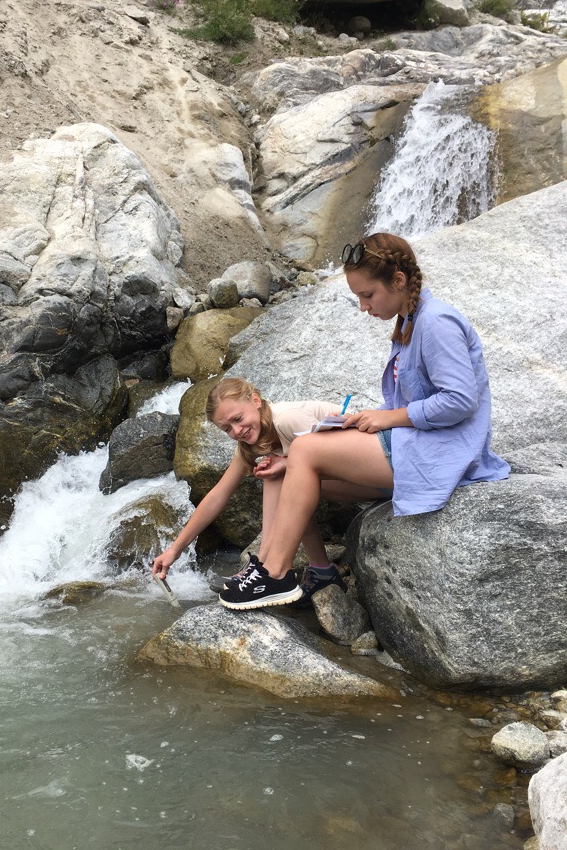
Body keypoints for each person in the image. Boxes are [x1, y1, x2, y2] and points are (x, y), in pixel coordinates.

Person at [219, 231, 510, 611]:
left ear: (399, 281)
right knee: (285, 470)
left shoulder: (436, 322)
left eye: (367, 295)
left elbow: (460, 400)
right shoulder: (410, 321)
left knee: (304, 448)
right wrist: (365, 422)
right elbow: (417, 402)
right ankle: (299, 569)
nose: (362, 306)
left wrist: (387, 417)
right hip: (415, 445)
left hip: (440, 454)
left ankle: (275, 574)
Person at [151, 377, 373, 604]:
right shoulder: (251, 441)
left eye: (238, 419)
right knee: (277, 471)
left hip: (372, 478)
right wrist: (175, 550)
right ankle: (316, 572)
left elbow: (340, 458)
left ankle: (267, 567)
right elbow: (219, 494)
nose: (237, 431)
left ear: (256, 401)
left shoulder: (288, 419)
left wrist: (285, 463)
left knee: (281, 473)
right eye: (227, 428)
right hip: (350, 480)